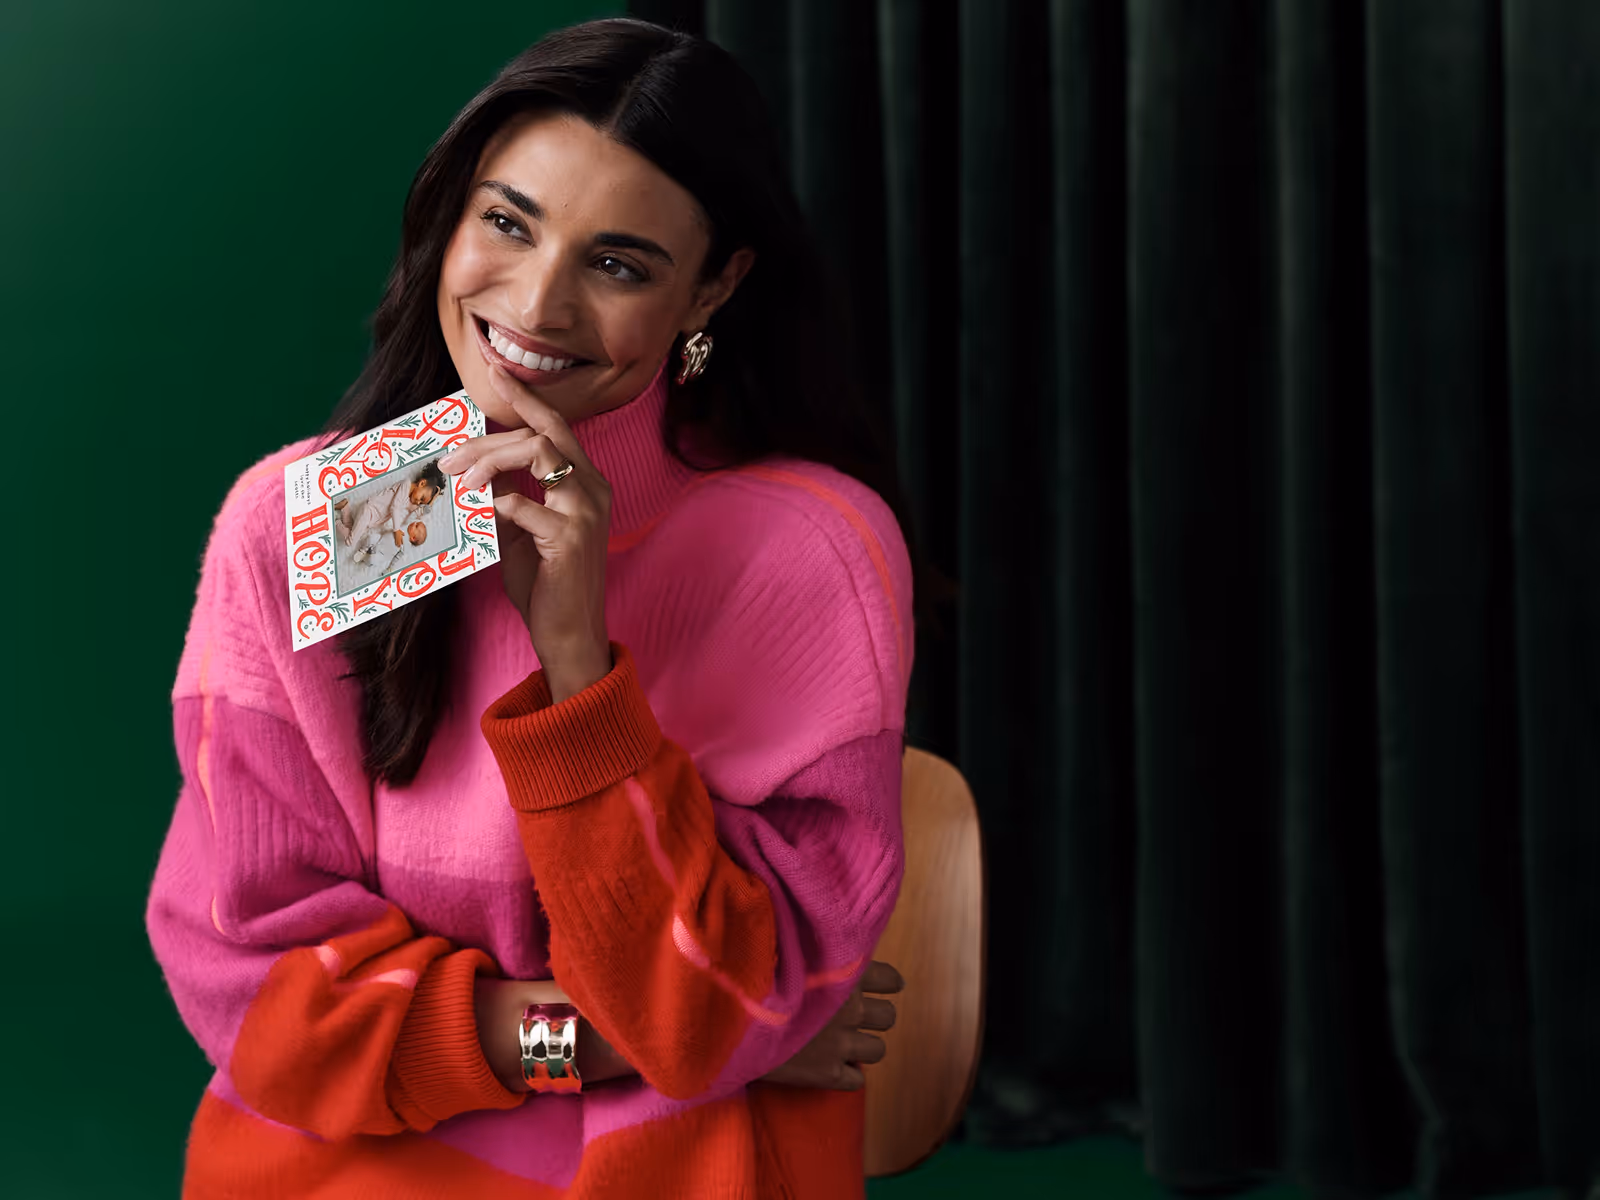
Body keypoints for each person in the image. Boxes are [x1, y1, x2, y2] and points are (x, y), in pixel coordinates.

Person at [147, 17, 919, 1199]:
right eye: (507, 222)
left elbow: (710, 1013)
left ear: (714, 286)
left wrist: (577, 664)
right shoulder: (323, 522)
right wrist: (598, 1045)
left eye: (618, 263)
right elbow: (256, 997)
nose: (539, 306)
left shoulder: (805, 554)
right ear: (449, 216)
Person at [334, 459, 445, 563]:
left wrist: (432, 501)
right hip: (370, 511)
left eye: (421, 502)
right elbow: (395, 507)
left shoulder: (409, 500)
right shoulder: (405, 484)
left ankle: (345, 508)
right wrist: (396, 530)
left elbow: (419, 512)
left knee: (352, 530)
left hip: (371, 519)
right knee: (350, 542)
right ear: (421, 483)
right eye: (421, 498)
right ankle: (335, 523)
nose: (418, 502)